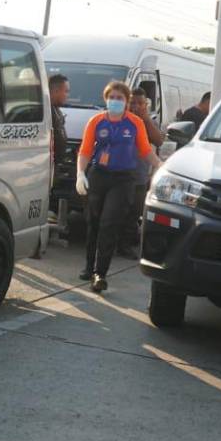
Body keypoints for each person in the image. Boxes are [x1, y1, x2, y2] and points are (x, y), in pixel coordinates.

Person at [76, 81, 161, 292]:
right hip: (98, 176)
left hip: (123, 179)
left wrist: (160, 165)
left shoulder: (134, 123)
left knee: (108, 223)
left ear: (126, 101)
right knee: (93, 222)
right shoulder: (96, 121)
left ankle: (100, 274)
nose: (115, 101)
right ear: (106, 99)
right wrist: (80, 173)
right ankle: (89, 266)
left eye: (120, 98)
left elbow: (144, 150)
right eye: (112, 98)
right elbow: (85, 151)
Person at [117, 88, 165, 259]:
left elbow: (158, 140)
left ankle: (126, 245)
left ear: (146, 105)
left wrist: (145, 119)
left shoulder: (149, 122)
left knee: (134, 211)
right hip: (119, 174)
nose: (136, 107)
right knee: (117, 211)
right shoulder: (120, 119)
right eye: (133, 103)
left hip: (138, 176)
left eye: (140, 103)